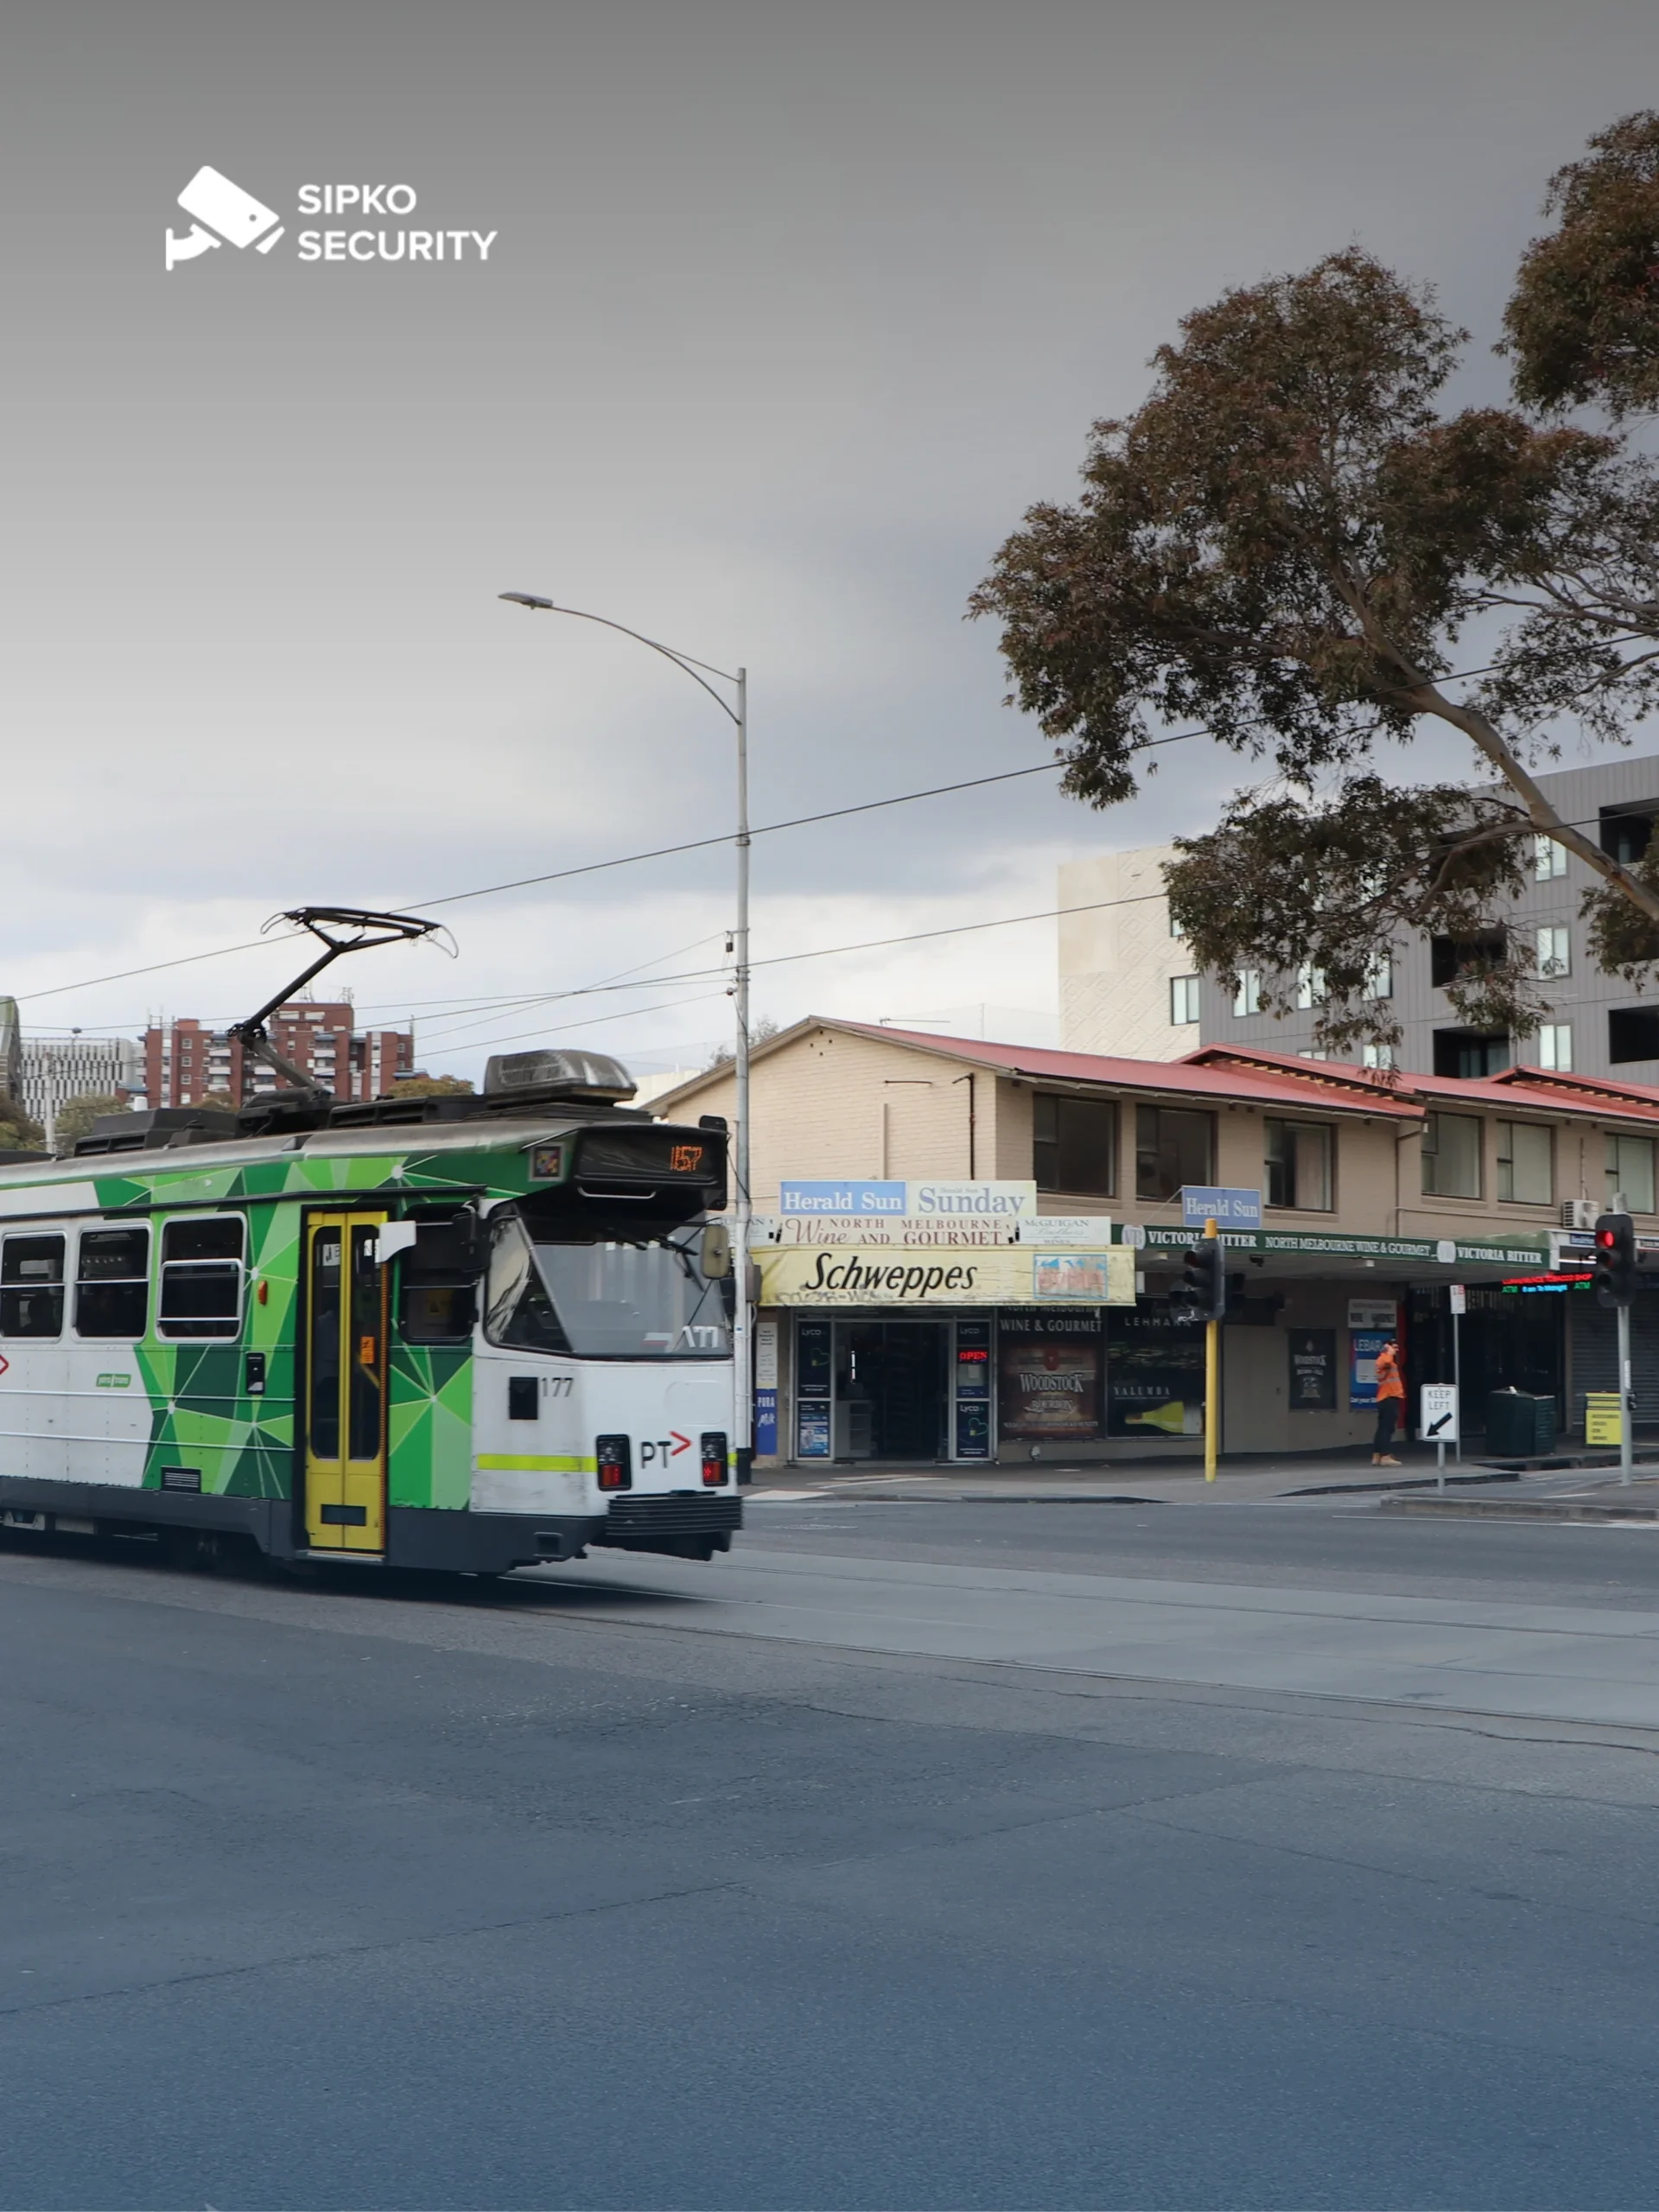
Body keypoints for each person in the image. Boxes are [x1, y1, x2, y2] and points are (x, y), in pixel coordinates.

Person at [1371, 1335, 1405, 1465]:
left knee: (1383, 1428)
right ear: (1387, 1347)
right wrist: (1389, 1351)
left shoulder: (1388, 1360)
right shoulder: (1384, 1359)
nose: (1396, 1350)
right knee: (1387, 1428)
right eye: (1394, 1347)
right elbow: (1384, 1363)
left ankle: (1377, 1455)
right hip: (1388, 1398)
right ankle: (1385, 1456)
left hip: (1388, 1398)